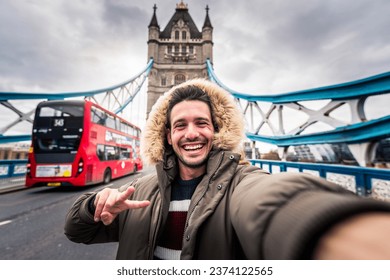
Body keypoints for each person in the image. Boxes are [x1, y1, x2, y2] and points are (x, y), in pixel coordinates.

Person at [64, 78, 390, 260]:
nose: (191, 133)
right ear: (167, 135)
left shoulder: (239, 185)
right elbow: (76, 231)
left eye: (201, 123)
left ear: (216, 130)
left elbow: (269, 201)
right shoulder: (141, 193)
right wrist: (93, 205)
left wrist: (333, 229)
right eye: (180, 125)